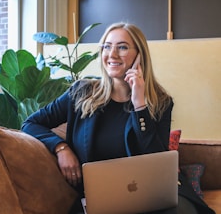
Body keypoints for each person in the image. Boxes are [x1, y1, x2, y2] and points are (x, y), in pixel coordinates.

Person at [22, 22, 215, 214]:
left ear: (140, 55)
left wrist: (140, 106)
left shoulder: (160, 102)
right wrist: (61, 148)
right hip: (101, 199)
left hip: (153, 196)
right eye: (107, 46)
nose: (112, 54)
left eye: (122, 47)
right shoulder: (81, 93)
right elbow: (30, 123)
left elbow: (156, 160)